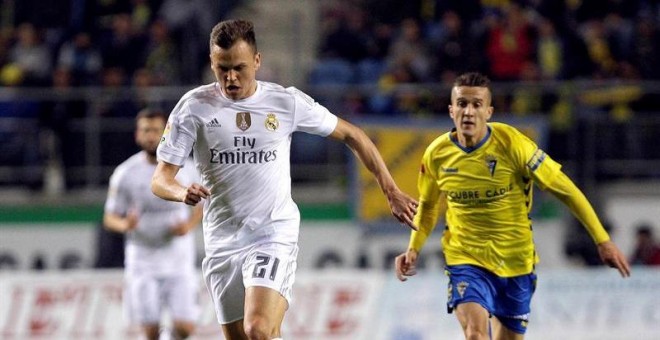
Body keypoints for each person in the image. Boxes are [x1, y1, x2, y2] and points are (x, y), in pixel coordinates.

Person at [151, 19, 418, 340]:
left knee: (258, 329)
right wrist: (181, 193)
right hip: (221, 243)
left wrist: (390, 190)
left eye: (240, 67)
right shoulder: (193, 108)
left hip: (271, 233)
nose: (231, 78)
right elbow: (161, 178)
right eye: (222, 69)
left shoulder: (285, 102)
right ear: (211, 63)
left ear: (258, 61)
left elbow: (353, 134)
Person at [394, 72, 631, 340]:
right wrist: (413, 248)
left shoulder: (512, 144)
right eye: (462, 104)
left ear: (489, 111)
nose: (468, 112)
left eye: (476, 105)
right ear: (451, 110)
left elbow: (566, 190)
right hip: (466, 258)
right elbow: (427, 207)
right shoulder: (436, 155)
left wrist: (603, 240)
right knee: (475, 334)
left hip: (516, 261)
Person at [103, 108, 203, 340]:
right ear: (137, 135)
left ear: (166, 133)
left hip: (178, 259)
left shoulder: (187, 169)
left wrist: (188, 227)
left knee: (186, 327)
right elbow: (110, 218)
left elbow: (202, 207)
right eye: (146, 130)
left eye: (156, 130)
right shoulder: (125, 173)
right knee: (150, 331)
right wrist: (125, 225)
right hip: (142, 261)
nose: (151, 136)